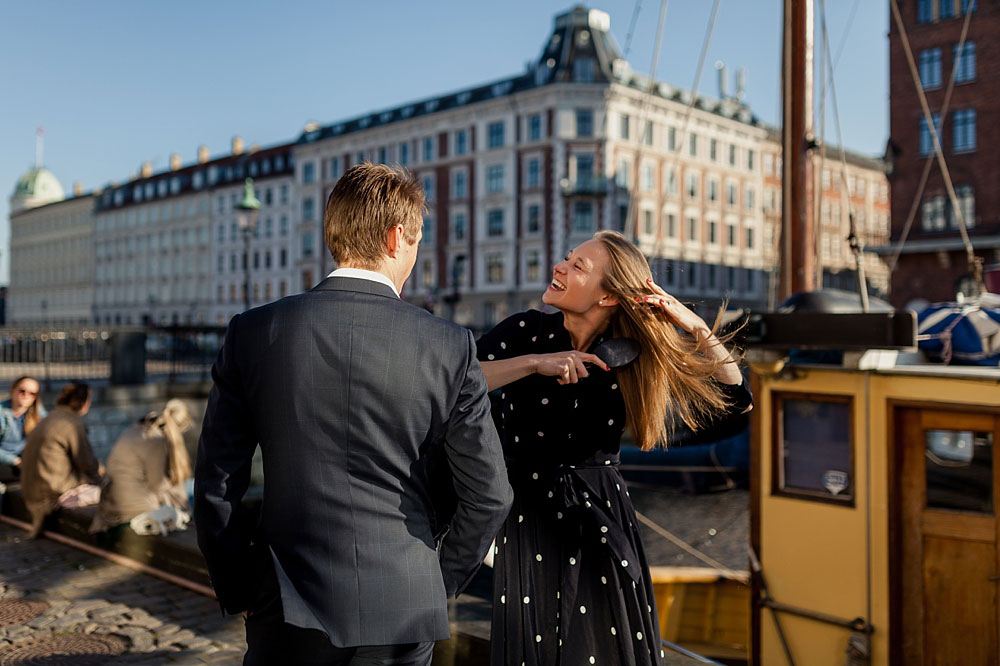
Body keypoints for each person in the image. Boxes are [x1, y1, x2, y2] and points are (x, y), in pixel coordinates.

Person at [195, 163, 513, 666]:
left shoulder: (254, 332)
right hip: (403, 606)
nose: (414, 257)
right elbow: (490, 495)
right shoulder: (449, 345)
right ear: (395, 238)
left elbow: (217, 483)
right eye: (416, 242)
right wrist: (433, 583)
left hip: (284, 598)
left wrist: (241, 588)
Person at [478, 230, 752, 666]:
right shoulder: (525, 331)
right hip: (529, 510)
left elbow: (738, 400)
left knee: (604, 647)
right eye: (567, 258)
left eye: (578, 266)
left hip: (599, 512)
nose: (560, 266)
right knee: (535, 648)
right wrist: (533, 364)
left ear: (608, 296)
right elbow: (457, 382)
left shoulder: (633, 354)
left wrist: (697, 327)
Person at [90, 399, 193, 535]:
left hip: (111, 503)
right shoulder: (156, 440)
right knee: (187, 496)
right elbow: (158, 485)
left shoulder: (136, 429)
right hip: (132, 508)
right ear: (180, 429)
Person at [20, 382, 101, 538]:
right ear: (84, 403)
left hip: (31, 490)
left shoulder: (51, 417)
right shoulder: (72, 423)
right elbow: (87, 463)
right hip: (51, 491)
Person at [0, 376, 46, 472]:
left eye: (32, 393)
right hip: (5, 461)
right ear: (13, 390)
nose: (26, 395)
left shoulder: (38, 412)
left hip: (26, 459)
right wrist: (15, 461)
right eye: (22, 391)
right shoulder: (2, 411)